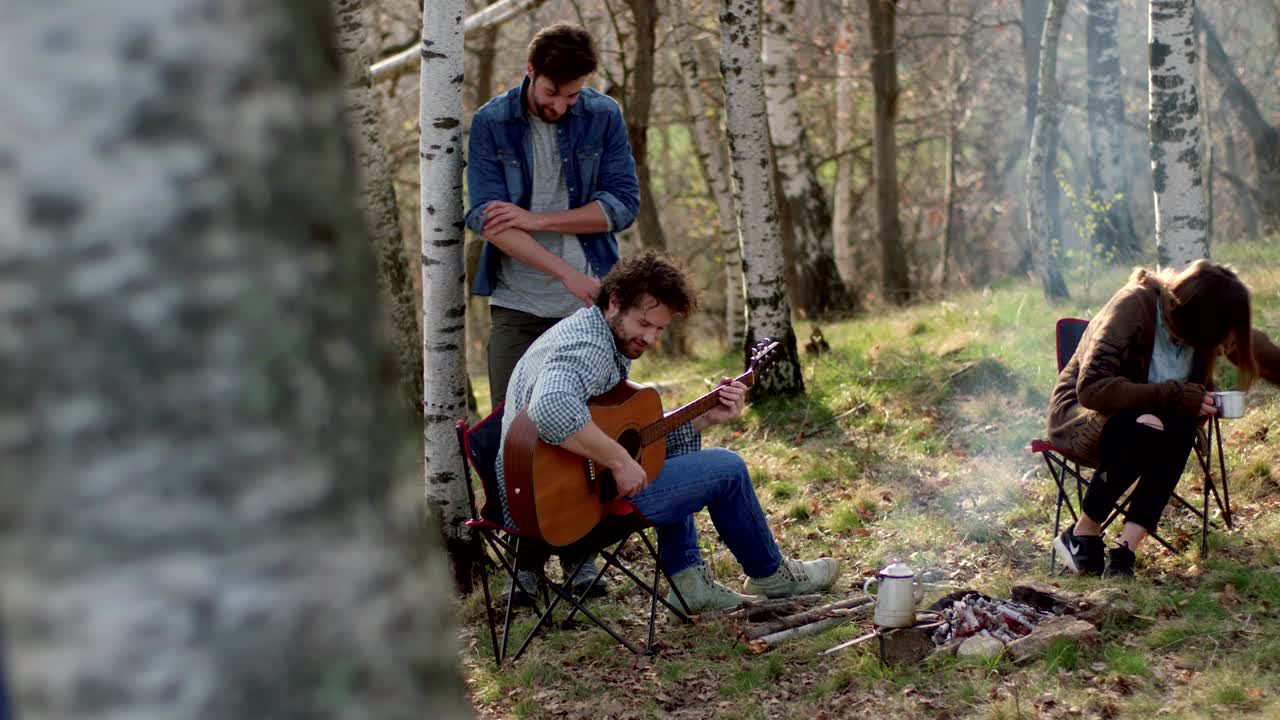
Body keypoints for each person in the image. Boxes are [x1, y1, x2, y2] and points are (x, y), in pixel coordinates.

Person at [496, 252, 841, 613]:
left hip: (533, 509)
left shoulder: (588, 331)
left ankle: (689, 582)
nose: (651, 338)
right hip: (564, 509)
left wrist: (705, 419)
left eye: (659, 329)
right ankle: (772, 575)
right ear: (614, 302)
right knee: (728, 469)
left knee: (668, 450)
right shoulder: (589, 348)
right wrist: (617, 460)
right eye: (644, 324)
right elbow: (550, 407)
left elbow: (631, 435)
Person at [466, 23, 640, 601]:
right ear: (529, 71)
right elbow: (489, 219)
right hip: (520, 304)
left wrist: (539, 220)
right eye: (552, 94)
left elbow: (621, 206)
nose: (562, 106)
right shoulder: (492, 122)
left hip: (589, 311)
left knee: (585, 431)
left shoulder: (603, 115)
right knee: (514, 438)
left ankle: (581, 556)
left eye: (572, 95)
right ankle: (526, 561)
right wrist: (564, 272)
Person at [1048, 260, 1280, 577]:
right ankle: (1082, 532)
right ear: (1189, 318)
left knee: (1179, 426)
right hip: (1086, 417)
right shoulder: (1134, 305)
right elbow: (1092, 389)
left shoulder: (1203, 322)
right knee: (1145, 424)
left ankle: (1124, 550)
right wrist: (1173, 395)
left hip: (1157, 425)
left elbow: (1257, 349)